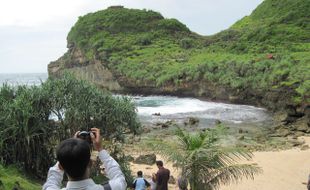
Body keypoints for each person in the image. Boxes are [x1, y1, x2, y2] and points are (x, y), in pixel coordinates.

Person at [43, 128, 127, 190]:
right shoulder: (111, 188)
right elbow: (120, 178)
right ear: (90, 163)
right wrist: (100, 149)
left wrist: (70, 149)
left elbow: (52, 179)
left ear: (61, 166)